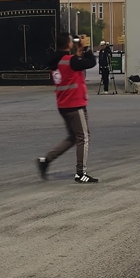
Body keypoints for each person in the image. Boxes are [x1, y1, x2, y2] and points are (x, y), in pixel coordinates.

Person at [36, 32, 99, 183]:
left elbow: (74, 65)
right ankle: (80, 173)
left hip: (63, 104)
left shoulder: (56, 61)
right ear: (68, 44)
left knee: (72, 137)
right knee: (83, 137)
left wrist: (78, 53)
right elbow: (90, 62)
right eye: (73, 40)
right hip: (75, 104)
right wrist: (86, 48)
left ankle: (46, 160)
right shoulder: (70, 61)